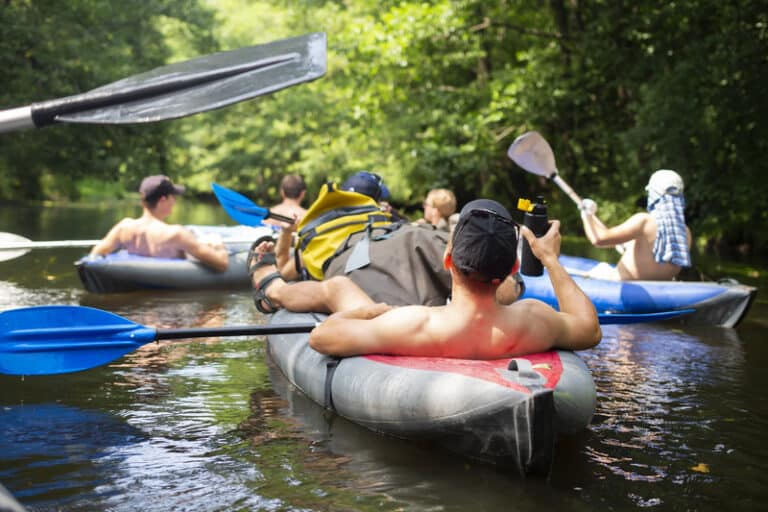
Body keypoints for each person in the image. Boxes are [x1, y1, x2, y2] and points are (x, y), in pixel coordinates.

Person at [250, 199, 601, 358]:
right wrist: (550, 260)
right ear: (512, 270)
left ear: (447, 260)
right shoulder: (534, 318)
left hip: (418, 329)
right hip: (504, 334)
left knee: (340, 287)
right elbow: (589, 329)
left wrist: (372, 312)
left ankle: (273, 286)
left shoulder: (413, 323)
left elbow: (322, 338)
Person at [90, 175, 229, 271]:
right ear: (163, 200)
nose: (174, 201)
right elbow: (222, 264)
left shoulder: (124, 227)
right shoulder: (176, 233)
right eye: (173, 197)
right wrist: (218, 244)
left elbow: (96, 253)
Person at [579, 169, 692, 281]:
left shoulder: (644, 221)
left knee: (602, 268)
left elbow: (598, 239)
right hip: (660, 290)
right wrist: (628, 246)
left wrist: (586, 216)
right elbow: (652, 255)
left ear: (655, 194)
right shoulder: (685, 232)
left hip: (623, 286)